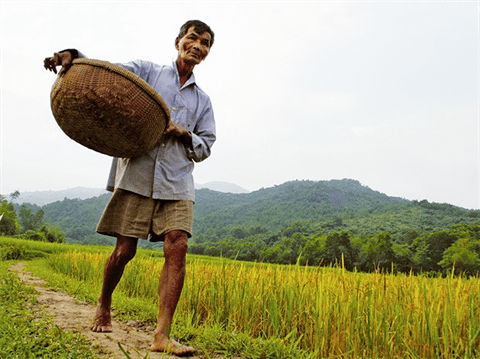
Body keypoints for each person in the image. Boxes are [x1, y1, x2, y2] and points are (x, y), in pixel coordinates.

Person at [44, 20, 216, 356]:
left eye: (206, 42)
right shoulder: (147, 72)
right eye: (193, 38)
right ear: (178, 41)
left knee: (177, 245)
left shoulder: (204, 101)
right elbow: (108, 76)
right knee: (125, 251)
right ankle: (104, 303)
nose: (198, 45)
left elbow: (206, 146)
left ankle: (162, 335)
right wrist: (73, 57)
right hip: (137, 173)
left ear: (208, 53)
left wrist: (182, 132)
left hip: (178, 179)